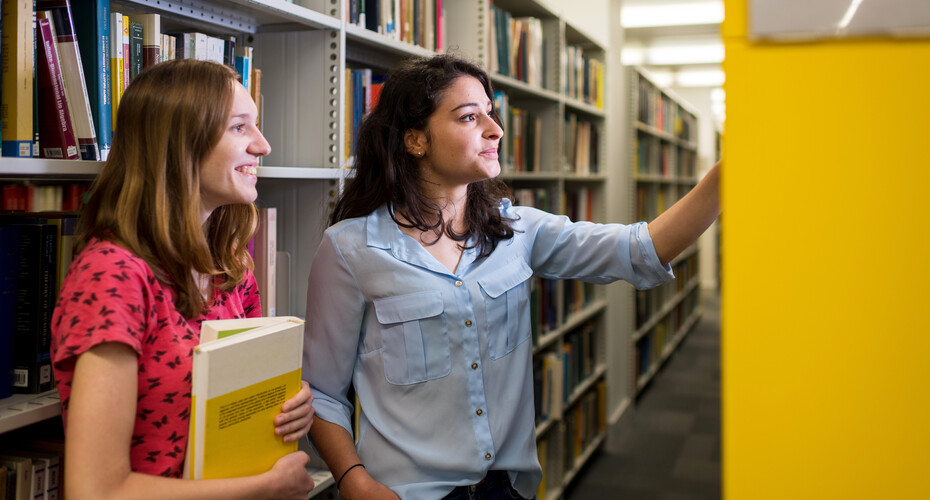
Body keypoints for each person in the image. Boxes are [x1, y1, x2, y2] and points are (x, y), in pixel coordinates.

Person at [304, 54, 720, 500]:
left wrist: (723, 181)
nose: (495, 129)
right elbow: (324, 393)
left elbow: (637, 250)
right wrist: (354, 481)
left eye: (491, 113)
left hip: (508, 489)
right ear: (415, 140)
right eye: (469, 117)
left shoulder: (516, 231)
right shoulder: (349, 248)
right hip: (405, 493)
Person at [50, 59, 315, 499]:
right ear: (180, 143)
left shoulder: (231, 269)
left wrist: (287, 403)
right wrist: (263, 488)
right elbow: (94, 491)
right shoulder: (112, 276)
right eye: (239, 128)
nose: (264, 146)